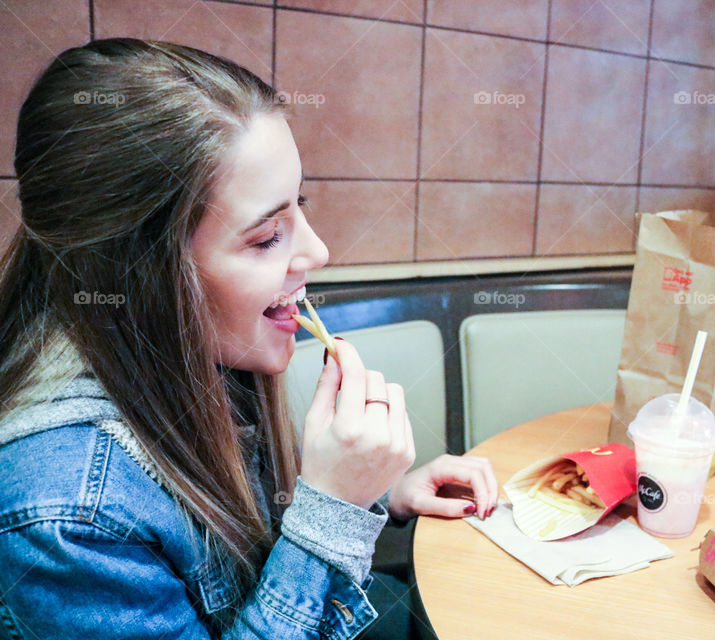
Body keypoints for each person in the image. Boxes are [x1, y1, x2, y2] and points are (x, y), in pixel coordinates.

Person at [0, 38, 498, 639]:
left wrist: (374, 499)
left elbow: (250, 537)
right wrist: (329, 514)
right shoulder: (67, 508)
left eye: (301, 209)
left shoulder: (192, 350)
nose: (317, 252)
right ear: (133, 274)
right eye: (267, 238)